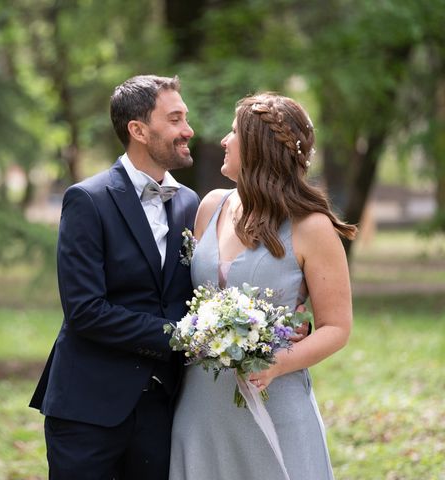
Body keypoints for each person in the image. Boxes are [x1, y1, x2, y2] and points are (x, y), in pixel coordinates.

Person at [169, 93, 357, 479]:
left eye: (233, 131)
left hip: (272, 396)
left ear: (257, 147)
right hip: (201, 402)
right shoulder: (212, 206)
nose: (223, 140)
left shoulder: (311, 227)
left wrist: (277, 363)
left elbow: (337, 328)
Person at [29, 74, 200, 479]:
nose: (188, 130)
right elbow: (85, 310)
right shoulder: (88, 200)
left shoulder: (191, 204)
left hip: (162, 408)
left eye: (185, 118)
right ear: (138, 130)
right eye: (175, 119)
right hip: (88, 407)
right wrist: (176, 335)